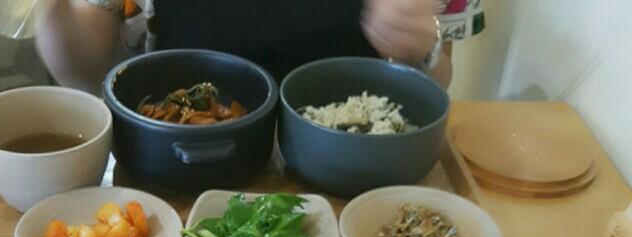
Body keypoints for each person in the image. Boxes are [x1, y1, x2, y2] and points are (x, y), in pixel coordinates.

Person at [36, 0, 485, 93]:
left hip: (358, 163)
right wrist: (50, 11)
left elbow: (439, 78)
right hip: (177, 161)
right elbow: (83, 74)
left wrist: (422, 46)